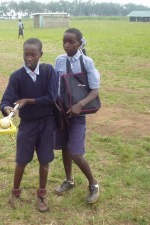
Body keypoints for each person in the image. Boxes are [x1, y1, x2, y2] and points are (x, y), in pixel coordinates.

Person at [0, 38, 58, 212]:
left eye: (33, 54)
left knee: (45, 160)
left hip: (47, 123)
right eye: (26, 54)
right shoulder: (17, 76)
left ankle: (41, 194)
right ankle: (15, 191)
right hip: (27, 125)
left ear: (41, 54)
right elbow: (5, 100)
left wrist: (27, 100)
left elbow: (52, 98)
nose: (29, 58)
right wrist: (7, 108)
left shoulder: (48, 71)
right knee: (21, 160)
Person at [54, 28, 100, 204]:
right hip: (61, 112)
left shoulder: (86, 62)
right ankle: (69, 180)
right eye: (64, 41)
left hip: (78, 115)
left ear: (80, 43)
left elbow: (95, 90)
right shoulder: (59, 60)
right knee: (64, 148)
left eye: (71, 42)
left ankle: (93, 184)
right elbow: (56, 85)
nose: (66, 45)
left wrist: (80, 105)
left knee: (75, 152)